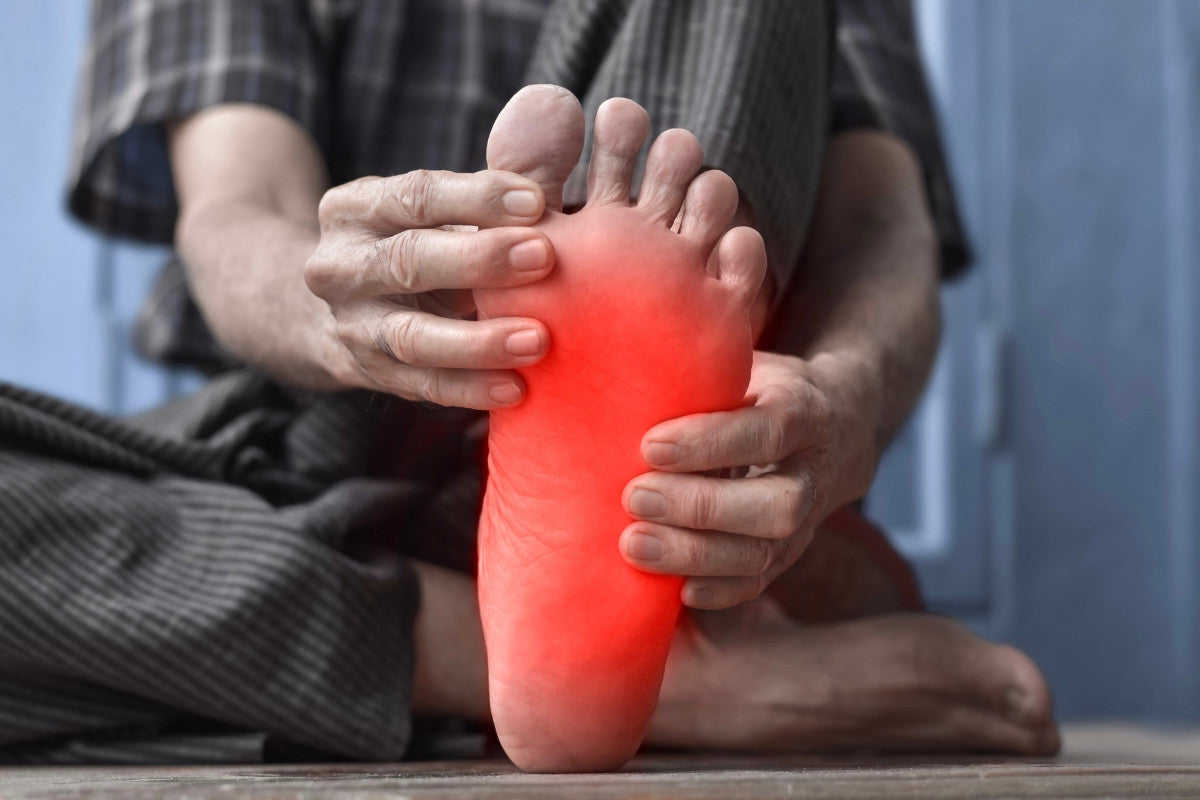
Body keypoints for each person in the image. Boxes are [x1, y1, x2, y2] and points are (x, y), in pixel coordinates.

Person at [0, 0, 1058, 763]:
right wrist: (336, 306)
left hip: (700, 481)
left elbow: (881, 218)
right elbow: (239, 210)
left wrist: (847, 394)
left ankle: (597, 481)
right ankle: (659, 664)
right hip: (300, 457)